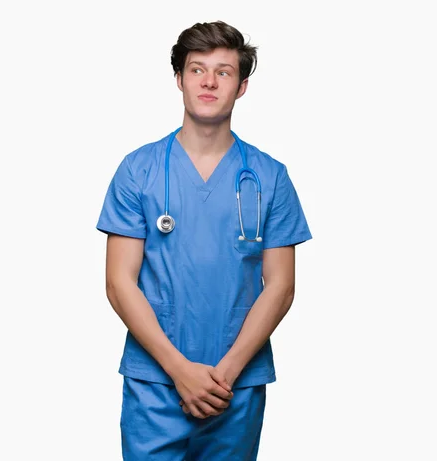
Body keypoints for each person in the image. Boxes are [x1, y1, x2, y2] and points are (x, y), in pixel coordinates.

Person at [96, 20, 312, 460]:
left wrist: (224, 375)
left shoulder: (270, 177)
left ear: (242, 86)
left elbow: (282, 287)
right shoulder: (138, 171)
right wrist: (179, 371)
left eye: (224, 71)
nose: (209, 82)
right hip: (155, 383)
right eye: (197, 70)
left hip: (236, 385)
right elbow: (119, 283)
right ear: (179, 79)